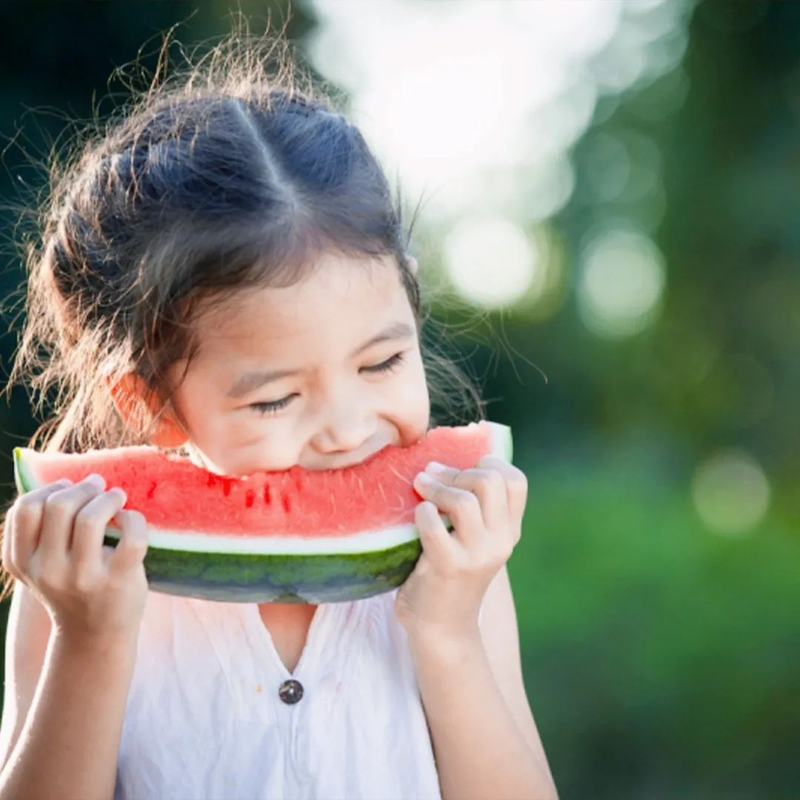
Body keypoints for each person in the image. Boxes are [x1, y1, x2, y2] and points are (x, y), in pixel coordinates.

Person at [0, 27, 557, 800]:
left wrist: (447, 633)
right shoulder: (77, 580)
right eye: (275, 398)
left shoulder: (458, 569)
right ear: (151, 403)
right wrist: (89, 640)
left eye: (383, 362)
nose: (346, 427)